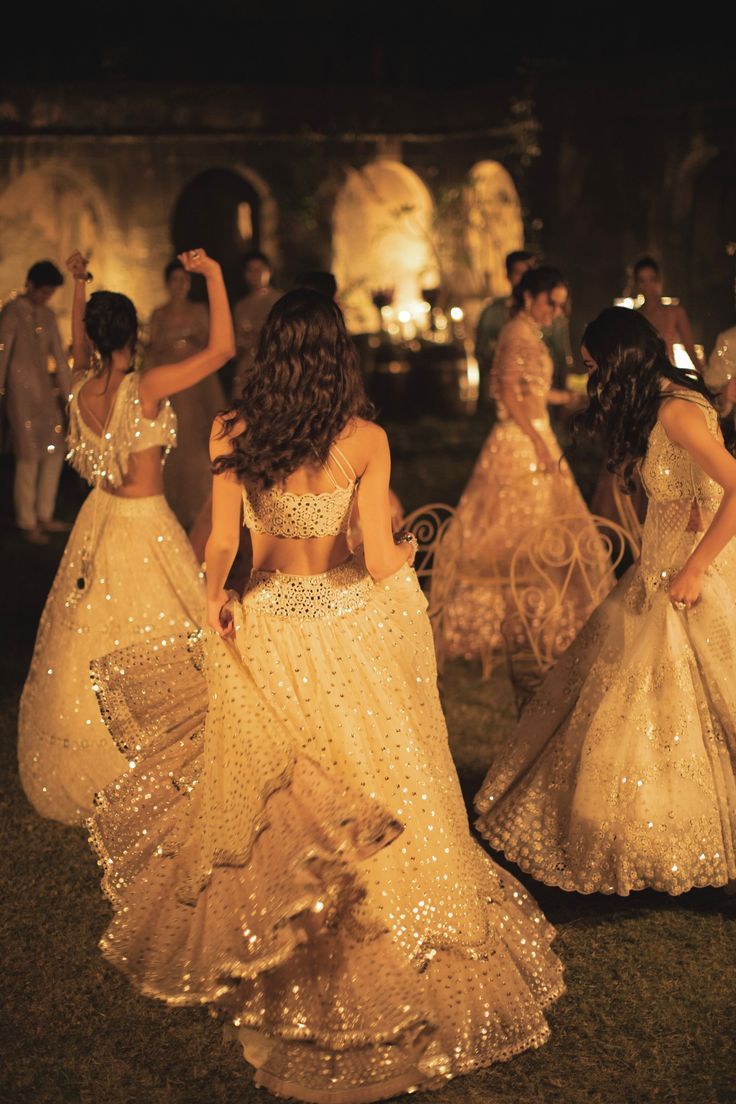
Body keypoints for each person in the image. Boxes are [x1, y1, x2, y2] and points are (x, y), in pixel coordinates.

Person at [86, 289, 564, 1103]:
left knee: (288, 806)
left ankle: (296, 961)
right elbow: (377, 559)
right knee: (381, 783)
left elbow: (228, 542)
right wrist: (412, 546)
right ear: (338, 355)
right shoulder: (367, 439)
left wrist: (215, 597)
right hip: (349, 628)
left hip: (270, 627)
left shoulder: (233, 430)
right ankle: (390, 954)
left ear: (273, 353)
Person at [476, 306, 736, 896]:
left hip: (691, 575)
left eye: (596, 368)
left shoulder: (676, 412)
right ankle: (660, 836)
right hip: (658, 570)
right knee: (653, 714)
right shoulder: (669, 406)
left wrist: (695, 568)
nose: (595, 381)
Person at [17, 247, 234, 826]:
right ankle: (157, 754)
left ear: (91, 336)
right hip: (144, 524)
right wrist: (212, 275)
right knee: (163, 632)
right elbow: (223, 350)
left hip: (100, 518)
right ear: (133, 332)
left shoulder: (83, 388)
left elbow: (82, 348)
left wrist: (79, 284)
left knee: (90, 633)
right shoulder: (148, 385)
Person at [441, 266, 609, 665]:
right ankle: (518, 621)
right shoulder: (517, 331)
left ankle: (535, 619)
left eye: (561, 305)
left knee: (540, 529)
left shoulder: (527, 332)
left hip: (533, 431)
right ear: (531, 296)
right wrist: (535, 438)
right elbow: (505, 391)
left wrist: (556, 400)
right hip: (521, 440)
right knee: (519, 531)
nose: (556, 311)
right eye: (552, 302)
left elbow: (525, 389)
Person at [146, 259, 225, 531]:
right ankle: (170, 502)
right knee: (170, 435)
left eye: (184, 281)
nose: (179, 286)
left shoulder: (198, 310)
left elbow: (211, 342)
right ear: (167, 284)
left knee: (192, 435)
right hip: (168, 376)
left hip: (195, 382)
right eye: (175, 281)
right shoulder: (159, 313)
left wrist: (191, 341)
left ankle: (197, 502)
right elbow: (152, 345)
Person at [0, 260, 70, 544]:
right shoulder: (13, 313)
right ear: (30, 285)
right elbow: (2, 353)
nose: (45, 298)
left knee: (54, 450)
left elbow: (61, 360)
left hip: (43, 391)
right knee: (28, 455)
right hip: (20, 393)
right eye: (43, 291)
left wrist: (68, 397)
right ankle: (27, 520)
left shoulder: (49, 315)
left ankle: (45, 513)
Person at [475, 250, 534, 412]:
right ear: (508, 276)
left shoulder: (548, 314)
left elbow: (561, 357)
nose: (523, 279)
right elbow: (481, 352)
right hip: (502, 399)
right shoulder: (492, 312)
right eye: (518, 273)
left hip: (537, 398)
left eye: (528, 273)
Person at [633, 256, 704, 369]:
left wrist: (704, 378)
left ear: (659, 281)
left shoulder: (674, 312)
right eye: (642, 280)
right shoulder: (634, 316)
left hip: (668, 376)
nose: (647, 286)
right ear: (637, 284)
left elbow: (690, 349)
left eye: (651, 279)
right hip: (642, 377)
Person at [231, 250, 283, 399]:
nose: (254, 274)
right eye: (250, 270)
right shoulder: (241, 305)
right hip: (247, 364)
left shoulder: (279, 300)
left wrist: (262, 337)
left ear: (269, 271)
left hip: (272, 362)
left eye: (259, 269)